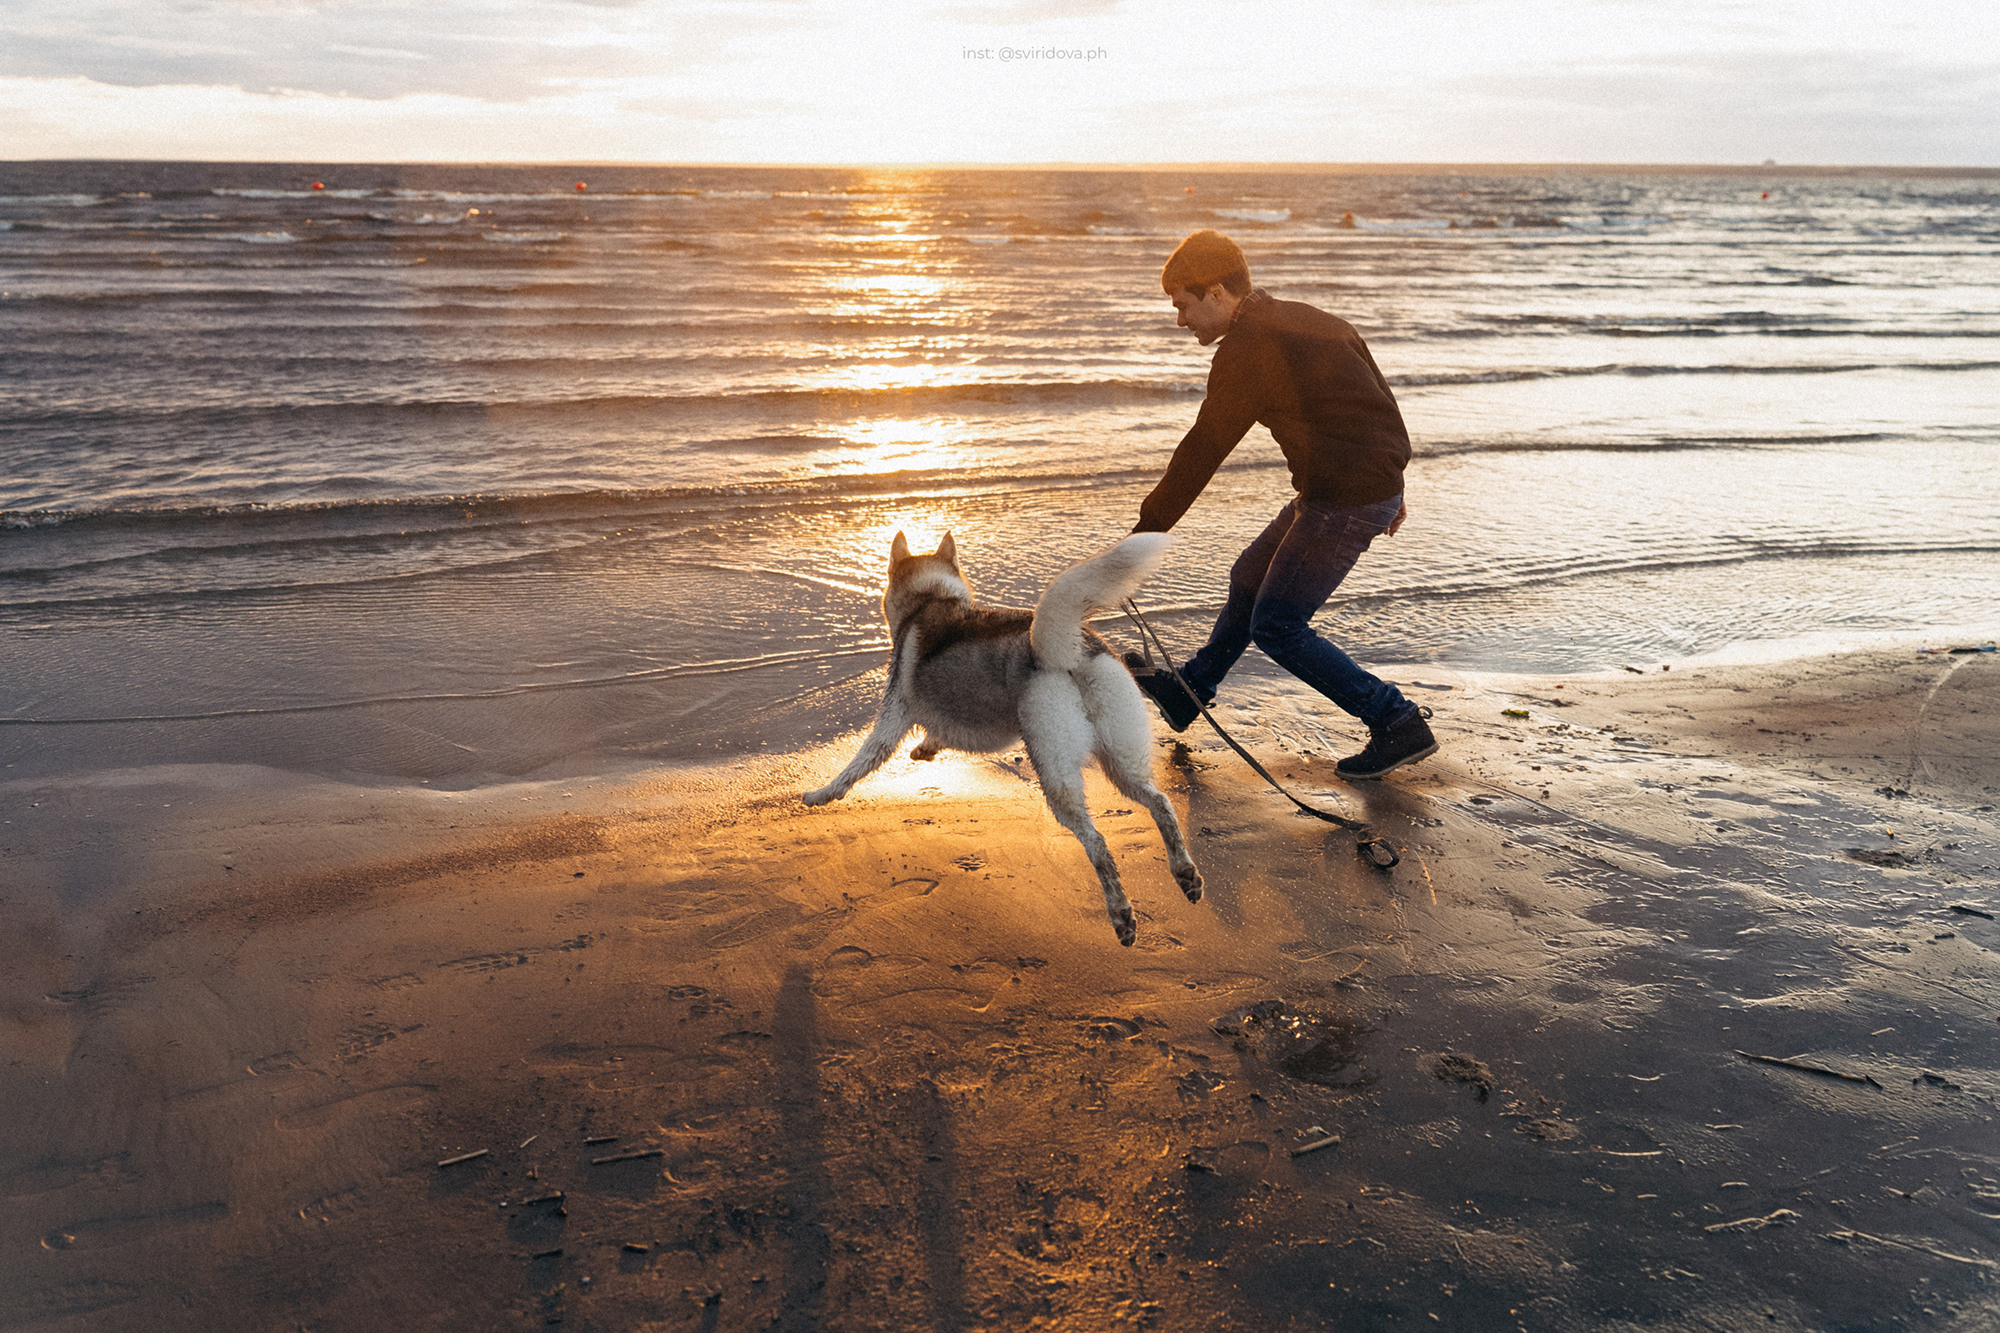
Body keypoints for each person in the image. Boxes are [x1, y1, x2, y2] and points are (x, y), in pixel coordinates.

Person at [1127, 229, 1438, 780]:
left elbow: (1204, 448)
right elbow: (1377, 399)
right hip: (1348, 488)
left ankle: (1397, 720)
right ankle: (1189, 692)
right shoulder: (1309, 319)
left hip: (1344, 498)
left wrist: (1146, 532)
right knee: (1250, 575)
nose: (1180, 322)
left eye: (1183, 306)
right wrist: (1396, 481)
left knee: (1278, 624)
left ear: (1217, 292)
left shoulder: (1248, 352)